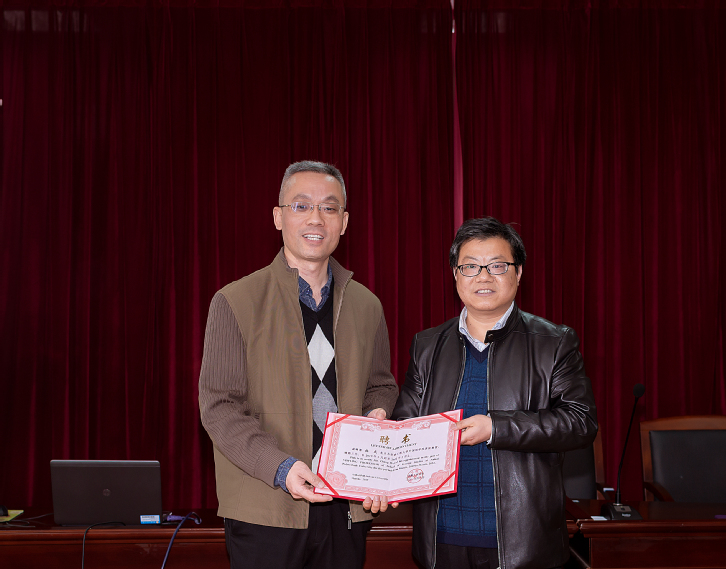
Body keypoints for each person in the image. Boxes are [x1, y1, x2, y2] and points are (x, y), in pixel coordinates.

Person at [199, 161, 399, 569]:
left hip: (345, 508)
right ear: (278, 217)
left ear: (344, 222)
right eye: (301, 205)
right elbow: (219, 408)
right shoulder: (235, 301)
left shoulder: (367, 305)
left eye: (329, 208)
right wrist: (281, 468)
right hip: (266, 506)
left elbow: (381, 385)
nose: (315, 218)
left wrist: (377, 414)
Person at [392, 217, 598, 569]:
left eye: (497, 266)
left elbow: (580, 423)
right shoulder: (427, 345)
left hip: (524, 542)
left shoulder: (553, 342)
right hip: (441, 539)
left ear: (518, 273)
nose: (483, 276)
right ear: (456, 274)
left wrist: (496, 427)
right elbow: (405, 426)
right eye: (470, 266)